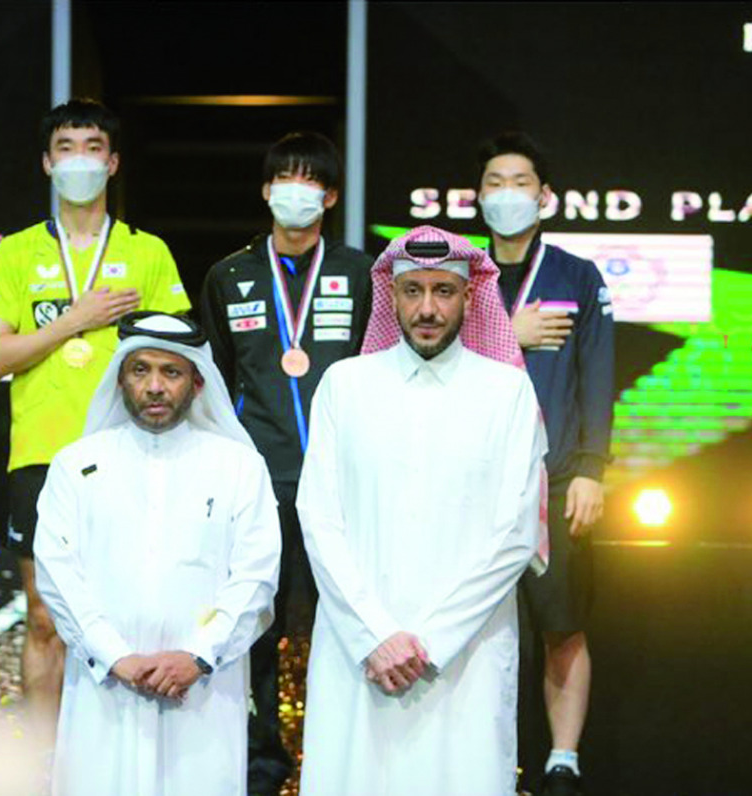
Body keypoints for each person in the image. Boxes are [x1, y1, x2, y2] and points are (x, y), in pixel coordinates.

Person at [297, 226, 548, 796]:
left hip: (466, 657)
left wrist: (429, 640)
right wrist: (375, 636)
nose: (428, 308)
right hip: (356, 649)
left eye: (443, 291)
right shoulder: (345, 384)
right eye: (413, 291)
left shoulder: (507, 392)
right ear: (391, 295)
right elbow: (319, 518)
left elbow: (516, 534)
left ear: (468, 296)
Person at [0, 99, 190, 733]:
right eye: (66, 148)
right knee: (45, 616)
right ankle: (44, 762)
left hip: (129, 453)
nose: (80, 160)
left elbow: (173, 352)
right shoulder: (14, 254)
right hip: (41, 455)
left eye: (93, 147)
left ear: (113, 163)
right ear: (47, 163)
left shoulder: (147, 253)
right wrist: (77, 320)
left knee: (128, 610)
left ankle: (118, 755)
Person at [34, 311, 281, 796]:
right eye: (140, 369)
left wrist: (198, 656)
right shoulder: (76, 464)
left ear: (196, 382)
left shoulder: (239, 467)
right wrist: (115, 656)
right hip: (105, 687)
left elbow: (256, 577)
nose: (154, 386)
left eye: (171, 372)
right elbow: (57, 574)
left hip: (204, 691)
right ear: (120, 377)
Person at [199, 130, 372, 795]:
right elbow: (212, 384)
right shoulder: (230, 275)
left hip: (339, 480)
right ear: (267, 190)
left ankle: (339, 752)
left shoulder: (361, 275)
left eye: (310, 181)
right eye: (283, 179)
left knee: (339, 612)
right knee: (258, 620)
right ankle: (262, 756)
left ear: (328, 195)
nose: (295, 191)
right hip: (257, 478)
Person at [477, 132, 614, 796]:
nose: (507, 195)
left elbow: (598, 374)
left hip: (555, 479)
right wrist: (509, 329)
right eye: (495, 184)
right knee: (475, 627)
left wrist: (592, 468)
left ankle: (562, 759)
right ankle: (487, 758)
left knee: (561, 623)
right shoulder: (460, 274)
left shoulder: (576, 276)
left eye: (520, 183)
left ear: (546, 197)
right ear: (478, 198)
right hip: (473, 482)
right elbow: (426, 355)